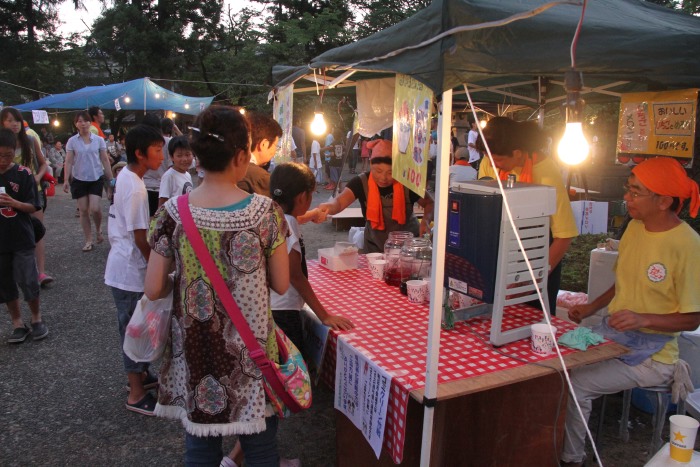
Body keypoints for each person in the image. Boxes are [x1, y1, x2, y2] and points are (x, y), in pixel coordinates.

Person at [144, 105, 290, 466]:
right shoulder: (265, 212)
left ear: (198, 155)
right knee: (261, 448)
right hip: (252, 352)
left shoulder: (172, 214)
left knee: (200, 448)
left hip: (197, 353)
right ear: (242, 155)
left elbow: (152, 289)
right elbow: (283, 284)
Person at [560, 157, 700, 467]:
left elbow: (693, 317)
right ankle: (547, 442)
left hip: (656, 354)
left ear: (663, 201)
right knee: (556, 361)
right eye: (628, 189)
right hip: (616, 333)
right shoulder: (635, 228)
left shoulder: (688, 245)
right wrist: (589, 308)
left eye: (636, 192)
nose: (626, 198)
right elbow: (623, 281)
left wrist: (643, 319)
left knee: (577, 383)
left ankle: (571, 459)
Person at [477, 117, 578, 313]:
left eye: (497, 160)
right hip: (502, 249)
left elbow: (564, 235)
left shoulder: (547, 173)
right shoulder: (490, 161)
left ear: (517, 154)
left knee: (531, 319)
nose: (492, 164)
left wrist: (532, 278)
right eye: (488, 158)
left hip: (538, 254)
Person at [104, 124, 164, 416]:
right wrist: (156, 266)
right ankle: (135, 393)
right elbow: (140, 238)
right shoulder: (137, 188)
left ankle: (142, 375)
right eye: (157, 150)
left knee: (139, 325)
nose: (162, 156)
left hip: (123, 264)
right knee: (133, 330)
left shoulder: (126, 176)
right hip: (128, 271)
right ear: (140, 153)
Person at [270, 162, 354, 347]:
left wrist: (314, 213)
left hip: (272, 306)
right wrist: (324, 315)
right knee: (293, 367)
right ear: (302, 197)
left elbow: (299, 217)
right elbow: (295, 275)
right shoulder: (288, 224)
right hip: (284, 311)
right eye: (312, 194)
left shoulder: (272, 214)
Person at [303, 138, 434, 253]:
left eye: (390, 172)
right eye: (378, 171)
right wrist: (327, 207)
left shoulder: (406, 181)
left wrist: (426, 221)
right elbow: (339, 202)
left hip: (407, 249)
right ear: (370, 164)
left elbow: (429, 203)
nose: (383, 177)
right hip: (374, 248)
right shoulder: (361, 182)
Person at [0, 128, 49, 343]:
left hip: (22, 237)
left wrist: (15, 204)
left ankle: (37, 318)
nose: (3, 160)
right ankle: (17, 323)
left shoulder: (23, 174)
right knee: (6, 283)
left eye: (8, 155)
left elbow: (34, 205)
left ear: (15, 152)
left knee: (28, 279)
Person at [1, 108, 52, 286]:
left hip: (32, 191)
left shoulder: (29, 140)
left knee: (35, 230)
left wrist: (37, 177)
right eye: (8, 120)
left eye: (16, 120)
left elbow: (43, 164)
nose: (14, 124)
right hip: (6, 195)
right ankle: (14, 270)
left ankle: (41, 272)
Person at [63, 110, 114, 252]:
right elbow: (68, 161)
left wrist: (111, 179)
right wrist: (66, 179)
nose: (83, 123)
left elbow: (104, 159)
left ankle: (98, 229)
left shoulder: (98, 140)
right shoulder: (72, 141)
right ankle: (88, 240)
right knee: (84, 210)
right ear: (75, 124)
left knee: (95, 208)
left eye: (85, 121)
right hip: (79, 179)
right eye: (79, 121)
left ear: (89, 123)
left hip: (96, 177)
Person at [238, 112, 282, 197]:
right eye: (276, 145)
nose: (275, 150)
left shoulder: (229, 169)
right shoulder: (260, 177)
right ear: (264, 144)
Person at [142, 113, 171, 217]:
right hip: (161, 188)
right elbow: (171, 167)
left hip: (146, 186)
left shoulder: (140, 143)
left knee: (147, 221)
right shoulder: (167, 142)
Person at [157, 136, 193, 207]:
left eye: (187, 155)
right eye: (179, 156)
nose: (184, 159)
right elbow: (162, 203)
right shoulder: (169, 176)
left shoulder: (188, 175)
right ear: (172, 157)